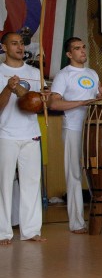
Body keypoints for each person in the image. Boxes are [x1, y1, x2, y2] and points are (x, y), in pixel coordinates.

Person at [48, 37, 102, 234]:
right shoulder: (63, 75)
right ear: (69, 54)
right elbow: (54, 103)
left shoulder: (92, 73)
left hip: (93, 128)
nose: (83, 51)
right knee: (74, 174)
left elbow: (95, 100)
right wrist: (81, 103)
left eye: (84, 47)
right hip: (73, 128)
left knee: (97, 173)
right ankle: (76, 223)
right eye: (77, 48)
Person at [0, 32, 46, 245]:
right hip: (5, 134)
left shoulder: (35, 73)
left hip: (31, 134)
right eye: (14, 43)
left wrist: (45, 98)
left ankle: (30, 230)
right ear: (4, 47)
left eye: (21, 43)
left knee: (31, 183)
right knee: (4, 184)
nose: (19, 47)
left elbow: (37, 105)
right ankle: (3, 231)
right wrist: (8, 89)